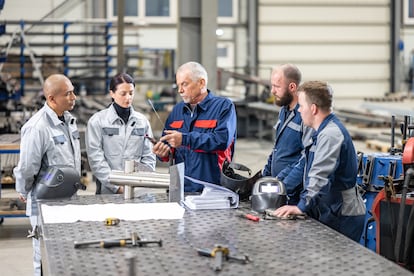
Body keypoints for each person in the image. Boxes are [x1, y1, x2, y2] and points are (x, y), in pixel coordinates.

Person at [273, 80, 366, 242]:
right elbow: (303, 164)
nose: (299, 111)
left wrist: (301, 206)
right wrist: (278, 185)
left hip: (343, 214)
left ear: (313, 109)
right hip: (329, 209)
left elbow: (320, 177)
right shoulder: (319, 132)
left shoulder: (330, 135)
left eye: (301, 106)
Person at [13, 74, 81, 276]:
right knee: (44, 257)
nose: (74, 97)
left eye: (73, 91)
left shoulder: (69, 121)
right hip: (45, 205)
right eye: (68, 94)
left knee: (66, 254)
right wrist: (22, 190)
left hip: (69, 200)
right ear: (52, 99)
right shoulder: (37, 127)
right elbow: (27, 167)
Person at [152, 61, 237, 192]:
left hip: (212, 190)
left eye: (184, 84)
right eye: (178, 85)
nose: (180, 90)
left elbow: (221, 140)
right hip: (181, 189)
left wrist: (185, 139)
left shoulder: (223, 107)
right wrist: (163, 152)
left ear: (201, 83)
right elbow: (168, 145)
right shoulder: (177, 111)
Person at [86, 72, 156, 194]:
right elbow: (96, 158)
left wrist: (141, 182)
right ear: (112, 93)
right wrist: (116, 187)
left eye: (131, 93)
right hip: (108, 191)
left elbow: (149, 155)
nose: (128, 98)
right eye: (123, 94)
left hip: (138, 190)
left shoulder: (142, 122)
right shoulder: (98, 121)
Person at [262, 64, 313, 205]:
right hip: (278, 188)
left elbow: (306, 159)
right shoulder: (283, 111)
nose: (272, 91)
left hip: (293, 195)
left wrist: (283, 188)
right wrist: (263, 178)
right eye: (272, 86)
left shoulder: (305, 116)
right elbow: (276, 149)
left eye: (277, 87)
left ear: (292, 87)